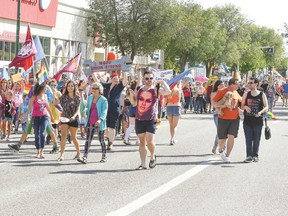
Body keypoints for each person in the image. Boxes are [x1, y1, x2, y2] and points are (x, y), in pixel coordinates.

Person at [130, 70, 171, 170]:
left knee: (150, 140)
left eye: (151, 78)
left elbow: (168, 92)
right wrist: (131, 95)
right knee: (142, 142)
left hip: (151, 118)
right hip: (139, 118)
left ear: (153, 79)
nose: (149, 80)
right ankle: (143, 163)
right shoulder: (139, 89)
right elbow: (134, 103)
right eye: (147, 78)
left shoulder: (156, 89)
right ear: (144, 79)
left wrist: (162, 82)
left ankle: (152, 156)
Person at [94, 72, 128, 150]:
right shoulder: (106, 86)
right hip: (105, 109)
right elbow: (97, 82)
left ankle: (110, 143)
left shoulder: (119, 87)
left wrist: (125, 71)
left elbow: (125, 81)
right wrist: (93, 72)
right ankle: (109, 138)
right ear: (111, 79)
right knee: (105, 127)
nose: (116, 80)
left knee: (112, 127)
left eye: (117, 79)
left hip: (115, 109)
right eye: (114, 79)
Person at [77, 82, 108, 164]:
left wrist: (100, 119)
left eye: (95, 88)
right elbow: (87, 106)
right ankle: (85, 157)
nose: (93, 90)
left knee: (101, 140)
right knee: (88, 140)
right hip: (90, 122)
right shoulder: (90, 97)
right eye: (92, 88)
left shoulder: (103, 100)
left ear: (99, 90)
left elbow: (105, 111)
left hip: (99, 123)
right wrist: (85, 110)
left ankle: (104, 156)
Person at [213, 78, 242, 163]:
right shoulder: (222, 91)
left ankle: (227, 155)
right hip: (223, 118)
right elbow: (214, 103)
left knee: (231, 136)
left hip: (235, 119)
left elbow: (241, 100)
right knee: (222, 139)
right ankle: (221, 150)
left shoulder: (236, 92)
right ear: (231, 84)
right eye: (237, 84)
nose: (238, 85)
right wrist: (223, 106)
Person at [241, 77, 268, 162]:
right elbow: (241, 105)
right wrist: (245, 107)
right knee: (248, 139)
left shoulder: (261, 94)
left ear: (256, 84)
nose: (249, 84)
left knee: (256, 139)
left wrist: (260, 112)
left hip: (258, 120)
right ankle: (249, 156)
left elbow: (266, 107)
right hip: (247, 120)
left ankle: (255, 155)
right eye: (249, 82)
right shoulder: (246, 94)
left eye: (251, 82)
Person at [55, 80, 81, 161]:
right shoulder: (63, 97)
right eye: (69, 86)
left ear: (74, 87)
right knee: (63, 136)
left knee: (73, 137)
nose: (70, 87)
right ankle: (61, 155)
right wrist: (53, 92)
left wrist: (74, 116)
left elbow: (78, 109)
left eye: (72, 86)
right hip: (65, 118)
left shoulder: (77, 97)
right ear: (66, 87)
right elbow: (55, 103)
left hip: (73, 119)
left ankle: (78, 153)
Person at [27, 83, 54, 158]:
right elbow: (29, 107)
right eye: (45, 89)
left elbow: (48, 107)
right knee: (36, 135)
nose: (46, 90)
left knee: (42, 133)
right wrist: (28, 117)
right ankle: (38, 151)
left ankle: (42, 151)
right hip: (35, 117)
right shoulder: (34, 97)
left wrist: (51, 116)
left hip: (44, 117)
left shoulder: (45, 96)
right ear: (41, 89)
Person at [210, 80, 225, 154]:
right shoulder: (214, 93)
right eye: (221, 85)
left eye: (223, 84)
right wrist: (222, 105)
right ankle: (216, 146)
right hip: (217, 113)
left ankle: (222, 147)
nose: (223, 86)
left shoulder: (224, 93)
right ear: (217, 86)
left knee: (224, 131)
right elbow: (214, 104)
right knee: (220, 131)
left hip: (225, 113)